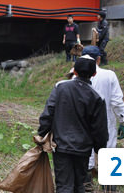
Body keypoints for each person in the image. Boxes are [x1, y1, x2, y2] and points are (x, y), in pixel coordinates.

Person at [38, 55, 108, 193]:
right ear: (94, 74)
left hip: (61, 146)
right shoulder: (96, 97)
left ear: (74, 72)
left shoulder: (60, 88)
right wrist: (100, 148)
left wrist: (41, 134)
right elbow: (99, 128)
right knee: (79, 184)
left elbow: (48, 113)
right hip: (83, 148)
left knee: (64, 185)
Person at [81, 46, 124, 192]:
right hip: (106, 121)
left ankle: (87, 187)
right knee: (109, 151)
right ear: (99, 59)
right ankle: (109, 188)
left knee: (87, 153)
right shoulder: (109, 75)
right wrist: (122, 121)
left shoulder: (77, 76)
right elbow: (117, 101)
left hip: (84, 121)